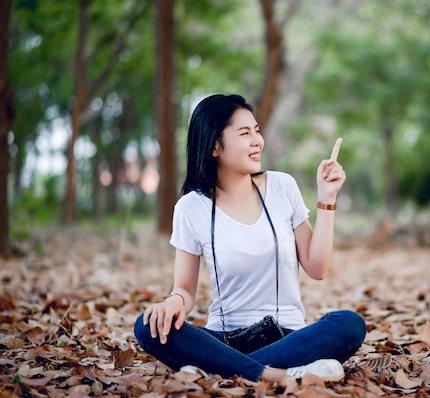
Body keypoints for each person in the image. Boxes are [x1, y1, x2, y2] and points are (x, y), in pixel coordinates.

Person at [134, 93, 366, 383]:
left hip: (287, 337)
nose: (258, 140)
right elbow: (184, 289)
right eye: (245, 133)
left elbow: (316, 268)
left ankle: (219, 370)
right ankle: (277, 373)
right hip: (224, 338)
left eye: (256, 131)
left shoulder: (283, 187)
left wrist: (327, 199)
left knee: (348, 324)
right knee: (147, 326)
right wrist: (172, 303)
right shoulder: (191, 208)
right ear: (215, 146)